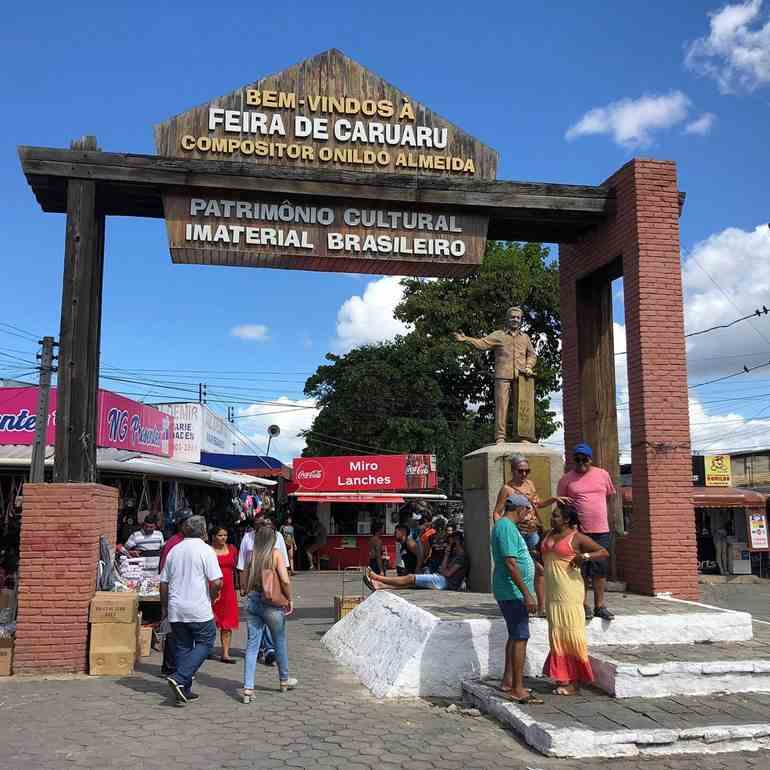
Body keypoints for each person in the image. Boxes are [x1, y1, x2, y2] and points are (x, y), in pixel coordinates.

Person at [541, 504, 609, 695]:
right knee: (557, 634)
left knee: (572, 634)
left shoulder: (577, 537)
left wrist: (584, 556)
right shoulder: (548, 534)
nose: (552, 519)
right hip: (552, 593)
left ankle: (575, 681)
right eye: (552, 515)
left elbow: (603, 552)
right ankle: (563, 677)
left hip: (570, 592)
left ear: (566, 520)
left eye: (555, 516)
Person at [492, 454, 568, 616]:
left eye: (527, 471)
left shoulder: (530, 484)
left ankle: (541, 607)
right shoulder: (507, 489)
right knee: (523, 566)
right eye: (521, 471)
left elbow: (537, 504)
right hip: (516, 532)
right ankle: (523, 600)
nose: (524, 474)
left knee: (538, 569)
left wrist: (554, 499)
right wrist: (503, 528)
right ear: (513, 471)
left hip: (532, 531)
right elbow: (497, 512)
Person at [160, 515, 223, 706]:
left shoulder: (174, 550)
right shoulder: (206, 550)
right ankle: (179, 678)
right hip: (198, 607)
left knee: (183, 647)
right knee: (206, 641)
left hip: (176, 608)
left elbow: (163, 583)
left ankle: (184, 690)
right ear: (203, 531)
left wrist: (165, 607)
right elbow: (217, 581)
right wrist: (213, 596)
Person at [556, 443, 617, 621]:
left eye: (585, 459)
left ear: (591, 459)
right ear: (572, 460)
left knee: (600, 569)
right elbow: (562, 507)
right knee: (580, 569)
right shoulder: (566, 479)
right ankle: (582, 605)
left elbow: (609, 498)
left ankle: (600, 606)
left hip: (601, 530)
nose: (581, 462)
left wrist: (611, 521)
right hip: (578, 531)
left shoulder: (603, 474)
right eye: (578, 459)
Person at [492, 494, 542, 704]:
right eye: (528, 510)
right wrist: (527, 593)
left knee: (515, 635)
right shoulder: (505, 526)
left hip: (513, 591)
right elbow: (511, 563)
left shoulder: (509, 527)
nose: (528, 514)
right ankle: (518, 688)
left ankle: (508, 680)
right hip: (513, 591)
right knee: (521, 637)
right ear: (520, 509)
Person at [241, 524, 297, 703]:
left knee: (252, 646)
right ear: (272, 539)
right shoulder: (276, 555)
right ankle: (284, 680)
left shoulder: (252, 556)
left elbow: (243, 580)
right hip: (272, 604)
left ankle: (248, 688)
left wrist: (246, 591)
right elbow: (285, 580)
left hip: (253, 601)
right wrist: (289, 599)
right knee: (279, 641)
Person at [237, 517, 290, 667]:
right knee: (260, 627)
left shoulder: (278, 537)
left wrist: (284, 590)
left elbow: (283, 565)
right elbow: (242, 565)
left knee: (264, 625)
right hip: (254, 588)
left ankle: (267, 651)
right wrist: (243, 586)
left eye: (267, 524)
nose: (264, 527)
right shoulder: (248, 538)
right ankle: (275, 662)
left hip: (272, 587)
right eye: (260, 524)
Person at [365, 531, 468, 591]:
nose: (449, 545)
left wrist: (442, 570)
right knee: (412, 584)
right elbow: (443, 569)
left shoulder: (461, 557)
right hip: (441, 578)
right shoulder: (453, 555)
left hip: (445, 582)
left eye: (451, 543)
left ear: (457, 542)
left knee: (411, 578)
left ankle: (377, 577)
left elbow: (447, 573)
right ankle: (381, 585)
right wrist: (446, 554)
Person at [158, 508, 193, 676]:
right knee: (174, 633)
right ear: (181, 525)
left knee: (179, 632)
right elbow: (164, 573)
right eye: (188, 522)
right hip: (175, 593)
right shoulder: (173, 543)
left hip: (184, 593)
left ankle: (171, 667)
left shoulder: (187, 542)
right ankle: (171, 668)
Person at [210, 525, 239, 664]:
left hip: (228, 590)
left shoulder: (232, 549)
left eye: (225, 535)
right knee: (209, 619)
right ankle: (207, 649)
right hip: (212, 588)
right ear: (214, 536)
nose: (223, 538)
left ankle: (225, 653)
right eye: (220, 535)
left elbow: (238, 569)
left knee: (227, 622)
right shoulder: (208, 551)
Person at [125, 513, 165, 578]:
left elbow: (162, 550)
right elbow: (124, 550)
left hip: (155, 572)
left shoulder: (159, 535)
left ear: (155, 526)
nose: (148, 529)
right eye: (146, 526)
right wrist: (131, 552)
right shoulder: (135, 535)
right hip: (140, 572)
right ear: (143, 525)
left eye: (151, 527)